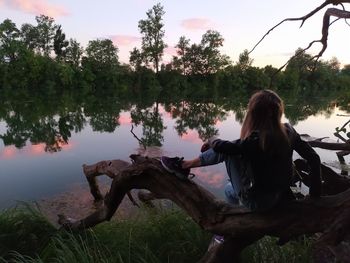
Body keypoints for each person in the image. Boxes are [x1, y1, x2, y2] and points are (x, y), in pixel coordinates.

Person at [161, 89, 322, 212]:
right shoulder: (289, 131)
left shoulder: (254, 141)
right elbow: (314, 159)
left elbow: (224, 148)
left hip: (260, 203)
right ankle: (234, 214)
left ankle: (182, 166)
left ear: (253, 114)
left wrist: (211, 139)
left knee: (228, 157)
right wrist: (315, 196)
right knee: (229, 186)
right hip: (282, 195)